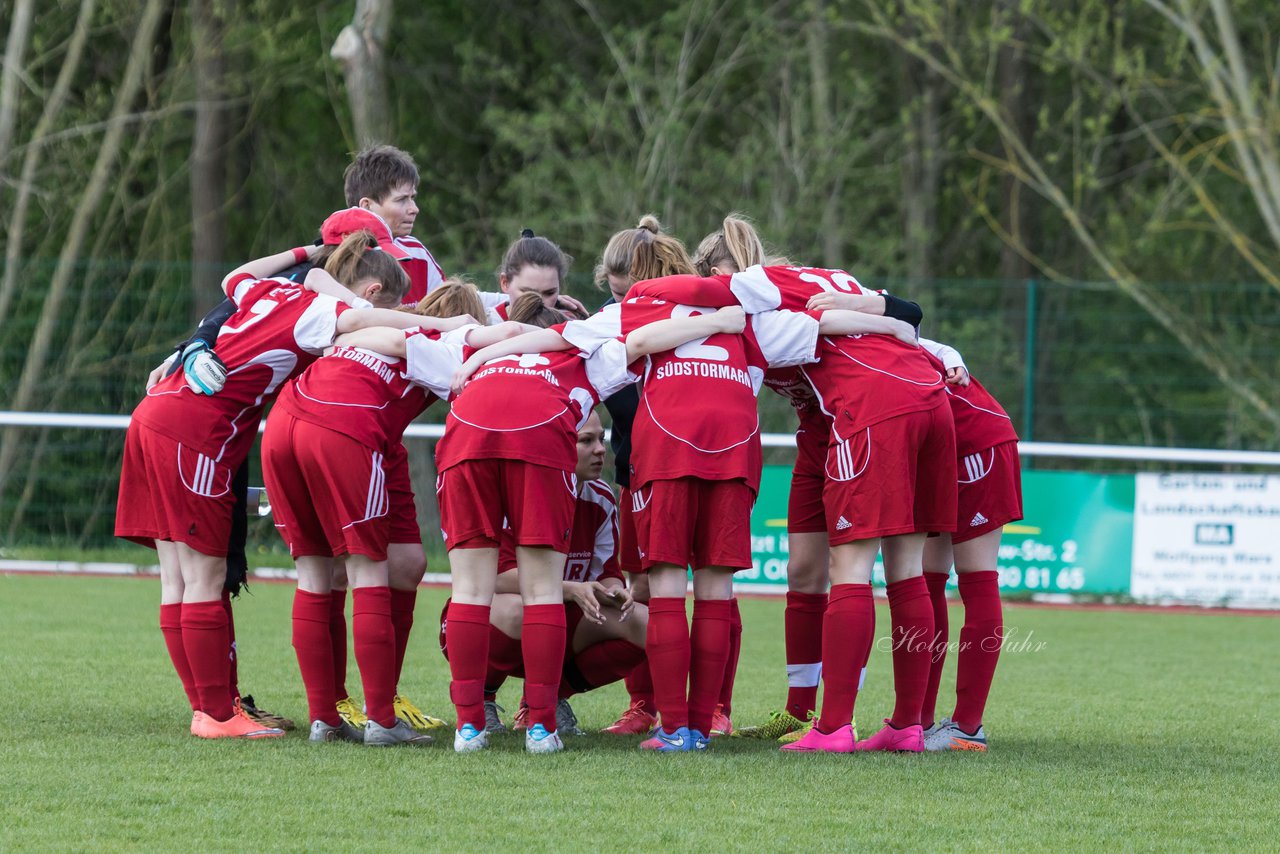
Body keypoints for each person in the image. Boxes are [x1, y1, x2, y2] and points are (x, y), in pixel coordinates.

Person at [117, 231, 464, 739]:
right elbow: (367, 323)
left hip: (155, 413)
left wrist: (305, 253)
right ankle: (216, 714)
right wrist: (442, 323)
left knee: (177, 578)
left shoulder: (265, 290)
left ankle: (209, 707)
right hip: (200, 428)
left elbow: (234, 276)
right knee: (204, 577)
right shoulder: (314, 309)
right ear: (367, 291)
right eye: (392, 303)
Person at [441, 296, 750, 754]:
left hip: (464, 433)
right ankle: (541, 727)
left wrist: (480, 352)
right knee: (541, 590)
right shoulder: (585, 353)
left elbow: (378, 334)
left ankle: (468, 728)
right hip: (541, 433)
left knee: (469, 588)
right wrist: (720, 320)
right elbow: (645, 339)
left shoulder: (480, 345)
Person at [689, 216, 926, 744]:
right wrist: (890, 321)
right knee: (805, 569)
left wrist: (884, 322)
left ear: (718, 272)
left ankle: (838, 721)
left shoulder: (761, 297)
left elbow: (896, 320)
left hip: (864, 417)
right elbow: (909, 315)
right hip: (827, 430)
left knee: (857, 566)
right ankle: (805, 712)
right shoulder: (812, 281)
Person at [264, 281, 532, 745]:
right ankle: (381, 720)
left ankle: (323, 717)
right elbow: (506, 333)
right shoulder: (450, 338)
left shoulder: (384, 324)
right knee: (368, 571)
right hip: (343, 424)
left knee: (317, 574)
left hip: (284, 422)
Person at [447, 413, 647, 736]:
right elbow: (495, 578)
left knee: (642, 621)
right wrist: (569, 589)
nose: (600, 450)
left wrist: (614, 592)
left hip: (559, 617)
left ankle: (547, 698)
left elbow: (607, 572)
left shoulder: (601, 497)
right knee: (518, 613)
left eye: (601, 439)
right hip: (495, 615)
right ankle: (481, 695)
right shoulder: (522, 488)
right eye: (586, 441)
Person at [912, 344, 1021, 752]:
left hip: (975, 444)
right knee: (923, 581)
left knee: (975, 578)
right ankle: (918, 720)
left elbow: (920, 331)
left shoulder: (859, 324)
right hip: (936, 451)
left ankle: (967, 728)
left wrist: (955, 361)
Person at [485, 230, 587, 324]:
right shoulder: (484, 326)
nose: (539, 303)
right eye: (528, 293)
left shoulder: (569, 326)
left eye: (549, 293)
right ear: (505, 283)